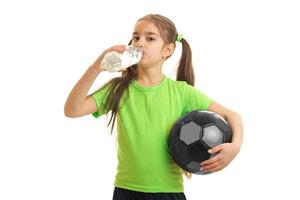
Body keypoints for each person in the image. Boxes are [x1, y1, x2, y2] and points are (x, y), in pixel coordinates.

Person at [64, 14, 243, 200]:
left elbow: (232, 116)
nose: (140, 43)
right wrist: (96, 67)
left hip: (168, 192)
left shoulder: (181, 92)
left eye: (150, 38)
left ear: (167, 50)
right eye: (136, 37)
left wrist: (234, 147)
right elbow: (72, 110)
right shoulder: (119, 88)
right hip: (126, 191)